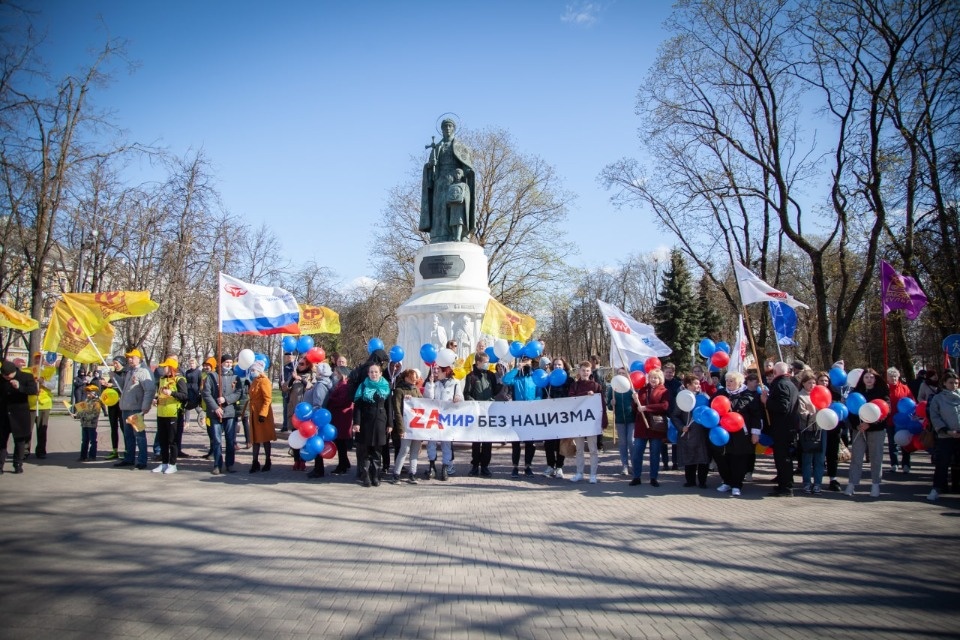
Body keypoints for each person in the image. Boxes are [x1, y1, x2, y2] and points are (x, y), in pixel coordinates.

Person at [420, 117, 476, 243]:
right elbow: (430, 167)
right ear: (442, 130)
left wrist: (464, 173)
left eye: (450, 126)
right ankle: (439, 236)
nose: (448, 129)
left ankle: (457, 235)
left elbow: (466, 167)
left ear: (453, 128)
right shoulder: (437, 147)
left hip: (454, 181)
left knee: (455, 209)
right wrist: (430, 166)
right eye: (445, 127)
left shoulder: (460, 148)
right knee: (439, 209)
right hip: (440, 182)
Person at [845, 368, 890, 497]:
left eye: (871, 377)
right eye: (866, 377)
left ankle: (876, 485)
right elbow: (851, 410)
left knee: (876, 458)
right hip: (859, 429)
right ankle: (852, 484)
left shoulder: (882, 393)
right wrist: (857, 425)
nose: (869, 379)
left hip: (876, 430)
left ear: (875, 379)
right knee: (856, 457)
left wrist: (869, 424)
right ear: (862, 379)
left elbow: (885, 412)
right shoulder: (856, 392)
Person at [717, 371, 763, 497]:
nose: (728, 383)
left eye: (732, 380)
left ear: (739, 382)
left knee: (739, 458)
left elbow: (756, 416)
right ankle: (727, 481)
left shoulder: (748, 396)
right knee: (723, 458)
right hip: (723, 432)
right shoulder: (721, 394)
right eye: (727, 380)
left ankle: (737, 484)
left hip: (741, 434)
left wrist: (755, 433)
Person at [203, 354, 245, 475]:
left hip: (230, 412)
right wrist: (216, 407)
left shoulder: (235, 376)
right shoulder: (212, 376)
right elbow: (206, 393)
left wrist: (226, 399)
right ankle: (217, 464)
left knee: (230, 439)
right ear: (221, 363)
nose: (229, 364)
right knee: (216, 440)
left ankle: (230, 464)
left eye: (230, 362)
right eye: (227, 362)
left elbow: (238, 392)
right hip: (215, 413)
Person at [762, 362, 799, 497]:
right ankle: (784, 483)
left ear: (776, 372)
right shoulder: (791, 384)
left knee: (782, 458)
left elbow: (783, 406)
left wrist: (766, 401)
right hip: (788, 427)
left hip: (782, 427)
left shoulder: (780, 384)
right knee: (783, 457)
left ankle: (786, 487)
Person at [352, 363, 392, 487]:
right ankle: (366, 476)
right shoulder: (363, 386)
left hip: (380, 421)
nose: (373, 374)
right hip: (365, 422)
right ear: (368, 374)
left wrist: (390, 423)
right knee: (365, 451)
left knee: (377, 451)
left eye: (376, 372)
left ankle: (375, 475)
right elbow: (357, 407)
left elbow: (389, 407)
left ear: (380, 373)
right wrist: (356, 422)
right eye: (371, 372)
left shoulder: (386, 386)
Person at [115, 348, 155, 470]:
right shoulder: (130, 371)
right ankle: (129, 458)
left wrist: (145, 406)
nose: (129, 360)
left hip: (136, 409)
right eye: (128, 358)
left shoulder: (144, 372)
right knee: (128, 435)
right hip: (126, 408)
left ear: (139, 358)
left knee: (139, 435)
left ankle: (142, 460)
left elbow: (149, 390)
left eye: (132, 358)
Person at [629, 368, 669, 487]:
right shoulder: (642, 390)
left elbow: (664, 406)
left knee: (655, 453)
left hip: (655, 427)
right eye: (651, 377)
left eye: (656, 377)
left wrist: (647, 408)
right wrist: (635, 401)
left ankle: (653, 477)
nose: (653, 379)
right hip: (642, 426)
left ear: (660, 379)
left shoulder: (664, 391)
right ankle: (636, 476)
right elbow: (636, 409)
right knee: (637, 452)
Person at [463, 352, 500, 477]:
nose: (487, 364)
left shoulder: (491, 375)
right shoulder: (471, 376)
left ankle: (485, 466)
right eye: (485, 362)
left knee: (487, 441)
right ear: (478, 362)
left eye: (488, 362)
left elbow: (495, 391)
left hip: (489, 412)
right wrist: (474, 404)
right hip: (476, 413)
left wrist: (501, 382)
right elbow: (466, 394)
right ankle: (474, 466)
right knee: (476, 441)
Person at [423, 364, 463, 480]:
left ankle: (446, 467)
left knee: (446, 443)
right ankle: (432, 465)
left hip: (447, 418)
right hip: (435, 417)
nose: (436, 372)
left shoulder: (455, 383)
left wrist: (457, 399)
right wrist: (430, 384)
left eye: (439, 370)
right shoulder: (435, 384)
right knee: (431, 442)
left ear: (445, 371)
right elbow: (428, 399)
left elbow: (461, 398)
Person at [672, 374, 710, 488]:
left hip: (702, 433)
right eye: (695, 384)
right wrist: (681, 427)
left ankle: (702, 481)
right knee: (689, 458)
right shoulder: (682, 398)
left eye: (699, 384)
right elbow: (674, 416)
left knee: (703, 458)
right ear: (688, 385)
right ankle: (690, 481)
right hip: (687, 433)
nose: (698, 386)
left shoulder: (704, 397)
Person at [927, 370, 960, 502]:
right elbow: (935, 416)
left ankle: (957, 486)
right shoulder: (938, 398)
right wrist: (946, 430)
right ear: (945, 383)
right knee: (942, 463)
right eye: (951, 383)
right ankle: (936, 489)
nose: (954, 385)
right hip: (945, 436)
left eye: (956, 383)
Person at [1, 360, 38, 474]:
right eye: (4, 376)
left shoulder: (26, 376)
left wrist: (20, 387)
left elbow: (33, 390)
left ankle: (18, 464)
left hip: (19, 414)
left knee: (20, 441)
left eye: (8, 376)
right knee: (1, 442)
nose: (6, 378)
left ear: (14, 372)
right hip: (3, 414)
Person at [151, 357, 187, 474]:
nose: (163, 368)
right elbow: (160, 393)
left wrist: (172, 393)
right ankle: (164, 463)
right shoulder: (162, 379)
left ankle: (173, 464)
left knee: (173, 441)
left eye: (165, 366)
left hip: (174, 414)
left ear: (171, 367)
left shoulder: (179, 379)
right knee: (163, 440)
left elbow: (184, 396)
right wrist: (156, 399)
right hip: (161, 413)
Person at [389, 368, 424, 484]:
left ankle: (412, 473)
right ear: (406, 377)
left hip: (416, 426)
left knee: (414, 451)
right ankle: (396, 473)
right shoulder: (399, 391)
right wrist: (400, 428)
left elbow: (424, 405)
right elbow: (397, 411)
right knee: (404, 450)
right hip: (406, 426)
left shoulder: (416, 390)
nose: (414, 380)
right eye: (412, 378)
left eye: (415, 378)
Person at [507, 356, 540, 478]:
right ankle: (515, 466)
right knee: (516, 442)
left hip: (531, 414)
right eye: (523, 360)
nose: (525, 362)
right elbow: (505, 380)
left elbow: (539, 394)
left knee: (530, 442)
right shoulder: (516, 377)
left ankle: (528, 466)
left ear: (531, 362)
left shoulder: (534, 377)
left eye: (528, 360)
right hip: (517, 413)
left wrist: (534, 404)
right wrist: (516, 369)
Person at [795, 372, 824, 494]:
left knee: (819, 459)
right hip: (807, 431)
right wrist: (816, 415)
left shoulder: (821, 394)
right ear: (803, 384)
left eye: (813, 383)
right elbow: (802, 415)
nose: (812, 385)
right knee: (807, 458)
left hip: (821, 430)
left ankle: (818, 483)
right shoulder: (801, 396)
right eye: (809, 383)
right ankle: (807, 482)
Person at [541, 357, 571, 479]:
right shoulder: (548, 380)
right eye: (555, 365)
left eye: (560, 365)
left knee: (561, 442)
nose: (557, 367)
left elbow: (574, 396)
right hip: (550, 415)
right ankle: (550, 465)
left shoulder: (569, 380)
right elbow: (542, 395)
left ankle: (559, 467)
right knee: (549, 442)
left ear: (564, 366)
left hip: (563, 416)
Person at [285, 356, 316, 472]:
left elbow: (311, 387)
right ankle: (296, 460)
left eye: (302, 364)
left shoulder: (311, 375)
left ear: (307, 365)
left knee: (304, 436)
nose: (299, 366)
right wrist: (292, 380)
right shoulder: (293, 374)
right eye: (299, 364)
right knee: (295, 436)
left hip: (305, 412)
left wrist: (301, 379)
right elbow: (284, 388)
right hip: (294, 410)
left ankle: (303, 460)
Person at [305, 362, 334, 479]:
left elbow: (318, 402)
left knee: (317, 443)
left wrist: (314, 416)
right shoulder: (325, 383)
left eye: (317, 370)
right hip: (321, 417)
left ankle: (318, 469)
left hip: (318, 418)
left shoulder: (321, 385)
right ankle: (318, 468)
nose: (315, 371)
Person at [248, 360, 277, 473]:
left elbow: (267, 399)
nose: (252, 372)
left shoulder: (264, 381)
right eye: (251, 370)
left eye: (253, 370)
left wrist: (263, 414)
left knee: (265, 438)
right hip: (254, 412)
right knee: (255, 439)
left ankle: (267, 460)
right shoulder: (255, 380)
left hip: (262, 414)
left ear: (259, 370)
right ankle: (255, 461)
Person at [885, 367, 915, 474]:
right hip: (890, 420)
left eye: (895, 376)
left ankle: (906, 464)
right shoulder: (885, 389)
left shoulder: (905, 388)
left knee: (905, 442)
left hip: (904, 421)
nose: (893, 378)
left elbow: (912, 402)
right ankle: (894, 464)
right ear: (887, 378)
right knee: (892, 444)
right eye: (891, 377)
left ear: (898, 377)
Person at [608, 367, 635, 476]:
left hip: (631, 419)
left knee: (631, 441)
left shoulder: (632, 387)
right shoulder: (613, 388)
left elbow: (637, 404)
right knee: (623, 442)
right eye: (619, 373)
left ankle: (634, 464)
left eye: (623, 373)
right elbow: (609, 406)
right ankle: (625, 465)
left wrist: (635, 398)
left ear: (628, 374)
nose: (621, 375)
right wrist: (611, 403)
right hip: (619, 419)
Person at [328, 365, 355, 475]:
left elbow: (341, 401)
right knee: (340, 443)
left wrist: (330, 399)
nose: (335, 374)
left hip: (342, 417)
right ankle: (345, 462)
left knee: (341, 443)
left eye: (336, 372)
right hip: (340, 417)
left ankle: (342, 465)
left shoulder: (344, 385)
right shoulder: (342, 384)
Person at [28, 356, 54, 459]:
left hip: (44, 404)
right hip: (31, 404)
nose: (38, 361)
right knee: (28, 430)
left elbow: (52, 385)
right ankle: (25, 451)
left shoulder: (49, 371)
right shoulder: (29, 371)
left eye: (40, 359)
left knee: (42, 429)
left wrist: (43, 382)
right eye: (36, 359)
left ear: (43, 361)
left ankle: (41, 451)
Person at [103, 356, 127, 460]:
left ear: (122, 363)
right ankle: (114, 450)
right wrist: (104, 385)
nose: (115, 365)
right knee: (113, 427)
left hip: (122, 404)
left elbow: (123, 385)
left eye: (116, 363)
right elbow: (109, 386)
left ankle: (127, 450)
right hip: (112, 404)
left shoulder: (126, 373)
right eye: (114, 363)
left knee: (124, 428)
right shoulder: (112, 374)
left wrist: (112, 385)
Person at [74, 384, 103, 461]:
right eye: (87, 393)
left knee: (93, 441)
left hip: (91, 425)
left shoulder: (97, 403)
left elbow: (95, 413)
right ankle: (83, 456)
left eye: (89, 392)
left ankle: (92, 456)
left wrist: (86, 417)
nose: (88, 394)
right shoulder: (86, 401)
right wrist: (76, 415)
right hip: (84, 424)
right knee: (84, 441)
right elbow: (80, 411)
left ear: (94, 393)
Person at [280, 351, 296, 432]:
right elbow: (282, 377)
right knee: (285, 408)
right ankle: (285, 425)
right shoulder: (284, 367)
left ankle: (292, 425)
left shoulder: (295, 366)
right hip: (285, 390)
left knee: (292, 409)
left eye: (290, 355)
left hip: (292, 390)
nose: (288, 357)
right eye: (286, 355)